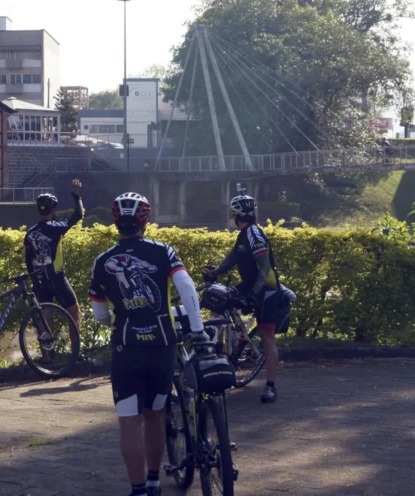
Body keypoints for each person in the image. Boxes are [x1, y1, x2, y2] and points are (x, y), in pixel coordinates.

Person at [89, 192, 207, 496]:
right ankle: (155, 481)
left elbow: (99, 313)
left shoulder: (102, 262)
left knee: (129, 421)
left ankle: (138, 489)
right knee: (156, 414)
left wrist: (119, 318)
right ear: (146, 220)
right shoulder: (164, 252)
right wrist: (197, 328)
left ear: (114, 220)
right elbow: (186, 286)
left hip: (126, 348)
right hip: (162, 345)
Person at [204, 189, 283, 404]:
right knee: (217, 303)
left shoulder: (255, 235)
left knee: (267, 337)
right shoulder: (243, 235)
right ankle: (219, 354)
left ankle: (270, 386)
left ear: (236, 216)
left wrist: (254, 295)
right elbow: (232, 258)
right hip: (248, 285)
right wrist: (215, 273)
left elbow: (265, 268)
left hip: (266, 289)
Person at [25, 179, 84, 328]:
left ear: (38, 210)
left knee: (45, 321)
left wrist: (34, 282)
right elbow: (78, 215)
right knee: (74, 313)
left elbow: (28, 260)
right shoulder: (56, 227)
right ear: (53, 210)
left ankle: (47, 351)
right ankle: (76, 351)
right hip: (57, 277)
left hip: (40, 280)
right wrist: (76, 197)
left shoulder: (30, 234)